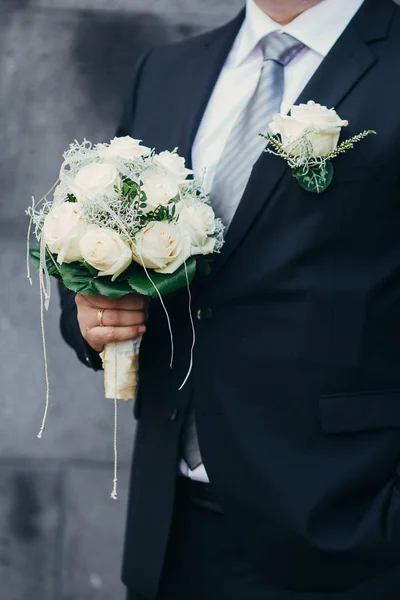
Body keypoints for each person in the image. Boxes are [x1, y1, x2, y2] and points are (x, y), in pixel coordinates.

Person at [58, 0, 400, 597]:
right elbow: (97, 250)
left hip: (350, 540)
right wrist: (93, 311)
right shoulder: (166, 70)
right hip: (171, 536)